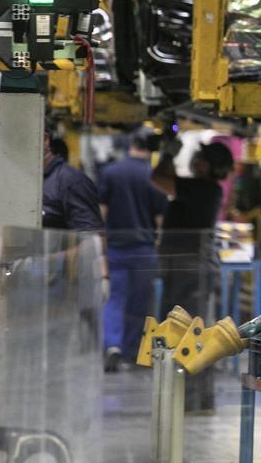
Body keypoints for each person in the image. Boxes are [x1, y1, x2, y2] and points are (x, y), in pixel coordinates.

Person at [152, 135, 234, 412]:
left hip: (192, 271)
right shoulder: (199, 188)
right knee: (181, 331)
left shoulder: (204, 189)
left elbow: (159, 179)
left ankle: (194, 398)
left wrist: (166, 156)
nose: (195, 162)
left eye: (202, 160)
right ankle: (186, 395)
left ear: (212, 167)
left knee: (191, 333)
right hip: (185, 269)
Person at [99, 129, 168, 372]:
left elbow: (102, 214)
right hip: (144, 249)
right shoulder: (155, 177)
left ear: (130, 142)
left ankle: (112, 347)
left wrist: (102, 249)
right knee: (139, 303)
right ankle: (130, 352)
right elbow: (160, 220)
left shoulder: (111, 172)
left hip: (116, 248)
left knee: (115, 299)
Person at [42, 128, 105, 232]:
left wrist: (64, 249)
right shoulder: (27, 180)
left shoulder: (72, 182)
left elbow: (93, 238)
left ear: (45, 139)